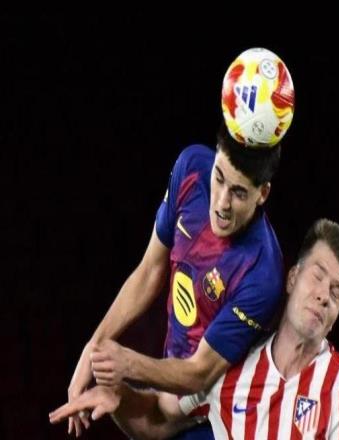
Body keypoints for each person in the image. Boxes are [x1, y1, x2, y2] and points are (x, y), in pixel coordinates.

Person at [51, 219, 339, 439]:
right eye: (317, 276)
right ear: (292, 278)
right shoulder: (233, 365)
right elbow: (158, 420)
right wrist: (119, 396)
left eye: (337, 292)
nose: (324, 296)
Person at [66, 123, 284, 439]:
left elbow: (199, 373)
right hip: (172, 389)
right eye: (219, 178)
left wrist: (127, 364)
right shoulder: (191, 169)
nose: (221, 204)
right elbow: (149, 272)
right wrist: (94, 346)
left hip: (220, 420)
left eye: (238, 193)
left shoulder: (262, 273)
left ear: (262, 194)